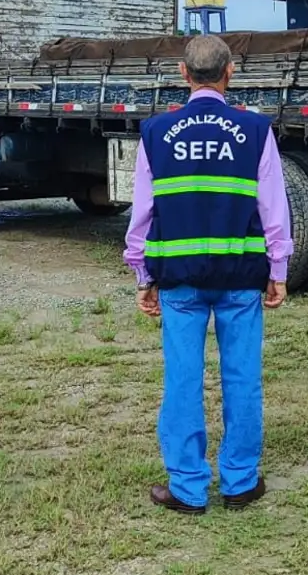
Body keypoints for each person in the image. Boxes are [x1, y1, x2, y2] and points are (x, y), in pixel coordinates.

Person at [123, 34, 293, 515]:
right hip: (240, 277)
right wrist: (277, 269)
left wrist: (142, 276)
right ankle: (239, 483)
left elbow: (142, 213)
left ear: (183, 73)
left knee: (182, 379)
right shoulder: (256, 131)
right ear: (230, 72)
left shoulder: (156, 133)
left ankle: (188, 488)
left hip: (179, 279)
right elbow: (273, 209)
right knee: (243, 378)